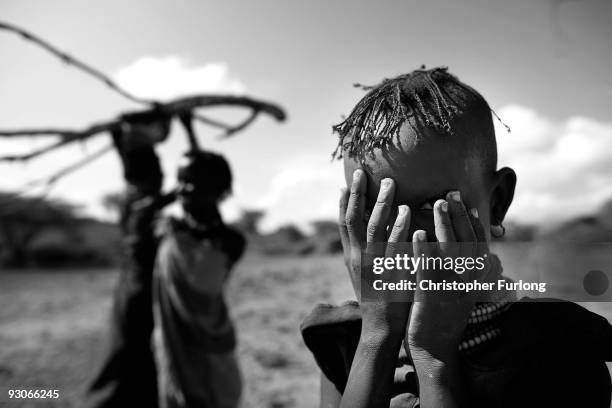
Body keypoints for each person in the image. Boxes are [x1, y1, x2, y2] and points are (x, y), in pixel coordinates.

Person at [300, 67, 612, 407]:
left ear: (496, 203)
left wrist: (434, 355)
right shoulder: (342, 341)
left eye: (430, 207)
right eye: (374, 210)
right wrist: (377, 339)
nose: (402, 238)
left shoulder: (560, 348)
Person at [88, 112, 245, 408]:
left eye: (192, 184)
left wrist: (188, 142)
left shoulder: (223, 241)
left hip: (208, 347)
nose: (183, 190)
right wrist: (187, 129)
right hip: (172, 342)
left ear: (221, 192)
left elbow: (201, 183)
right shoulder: (166, 231)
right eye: (180, 183)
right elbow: (156, 199)